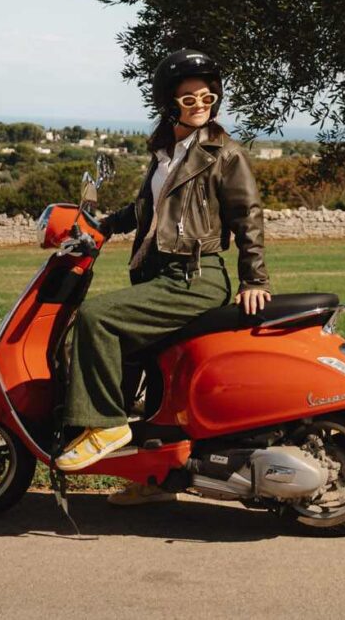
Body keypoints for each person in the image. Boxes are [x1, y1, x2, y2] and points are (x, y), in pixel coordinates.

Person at [55, 48, 272, 496]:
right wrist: (106, 224)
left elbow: (247, 215)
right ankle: (156, 474)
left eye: (207, 96)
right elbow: (147, 209)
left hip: (196, 277)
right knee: (146, 367)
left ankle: (105, 427)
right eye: (189, 98)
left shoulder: (222, 153)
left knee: (97, 318)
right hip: (161, 274)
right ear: (169, 102)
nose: (200, 105)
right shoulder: (165, 151)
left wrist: (254, 279)